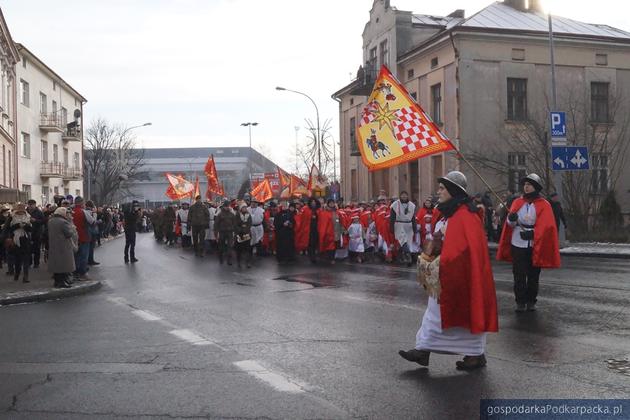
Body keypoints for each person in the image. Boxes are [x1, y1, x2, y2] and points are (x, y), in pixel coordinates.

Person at [399, 171, 498, 371]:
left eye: (443, 188)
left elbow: (464, 249)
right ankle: (422, 350)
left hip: (459, 275)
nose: (439, 191)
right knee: (433, 313)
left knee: (465, 315)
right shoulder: (448, 212)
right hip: (444, 273)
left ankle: (475, 355)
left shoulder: (466, 215)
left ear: (453, 191)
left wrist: (442, 261)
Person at [497, 174, 561, 312]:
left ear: (536, 187)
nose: (526, 187)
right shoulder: (517, 203)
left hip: (534, 244)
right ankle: (520, 301)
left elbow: (547, 226)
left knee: (533, 275)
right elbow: (510, 224)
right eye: (525, 184)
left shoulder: (544, 205)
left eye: (529, 184)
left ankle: (531, 300)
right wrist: (511, 219)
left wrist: (533, 234)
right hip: (517, 242)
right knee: (519, 274)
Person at [47, 207, 76, 288]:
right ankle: (62, 282)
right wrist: (72, 229)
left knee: (56, 265)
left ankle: (57, 282)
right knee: (64, 265)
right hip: (63, 246)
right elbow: (69, 234)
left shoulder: (51, 221)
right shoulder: (64, 222)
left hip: (54, 245)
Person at [390, 191, 417, 266]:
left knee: (408, 242)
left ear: (407, 196)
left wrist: (414, 227)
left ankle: (401, 257)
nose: (404, 197)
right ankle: (408, 255)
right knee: (402, 240)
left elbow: (413, 218)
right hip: (399, 224)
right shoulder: (395, 204)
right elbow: (392, 217)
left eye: (405, 195)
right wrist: (391, 227)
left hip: (408, 224)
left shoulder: (411, 205)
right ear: (400, 196)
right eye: (403, 195)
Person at [9, 203, 32, 283]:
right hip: (15, 240)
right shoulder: (12, 217)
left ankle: (26, 276)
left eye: (22, 211)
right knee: (18, 259)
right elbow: (9, 228)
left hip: (25, 239)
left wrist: (25, 226)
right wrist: (18, 225)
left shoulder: (28, 217)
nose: (21, 213)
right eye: (19, 211)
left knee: (26, 258)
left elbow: (30, 229)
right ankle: (17, 273)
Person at [72, 197, 93, 280]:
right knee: (84, 256)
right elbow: (92, 221)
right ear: (81, 203)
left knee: (75, 256)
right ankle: (82, 273)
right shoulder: (84, 212)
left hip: (74, 237)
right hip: (84, 236)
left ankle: (75, 273)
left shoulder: (71, 212)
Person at [318, 199, 341, 264]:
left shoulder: (336, 212)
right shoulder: (325, 212)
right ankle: (331, 258)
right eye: (330, 203)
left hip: (336, 231)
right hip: (329, 232)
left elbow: (340, 221)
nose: (332, 204)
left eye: (332, 203)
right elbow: (323, 223)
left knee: (334, 245)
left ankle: (331, 257)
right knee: (330, 246)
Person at [214, 200, 236, 265]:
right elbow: (216, 224)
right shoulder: (220, 214)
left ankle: (229, 260)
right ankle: (221, 258)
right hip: (222, 232)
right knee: (221, 246)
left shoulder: (232, 214)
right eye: (225, 206)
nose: (227, 207)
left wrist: (235, 232)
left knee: (230, 246)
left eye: (228, 206)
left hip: (230, 232)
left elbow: (235, 224)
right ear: (223, 207)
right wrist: (216, 233)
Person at [26, 199, 44, 269]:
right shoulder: (26, 212)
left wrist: (35, 220)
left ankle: (36, 263)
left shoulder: (39, 212)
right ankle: (29, 263)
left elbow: (43, 221)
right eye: (29, 204)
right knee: (28, 249)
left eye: (32, 205)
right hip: (28, 232)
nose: (30, 206)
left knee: (37, 249)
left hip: (37, 232)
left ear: (35, 205)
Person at [234, 203, 252, 268]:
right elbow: (235, 224)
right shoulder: (237, 215)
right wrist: (240, 230)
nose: (244, 209)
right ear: (241, 208)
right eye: (243, 207)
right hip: (239, 234)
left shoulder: (248, 215)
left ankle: (248, 262)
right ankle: (239, 262)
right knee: (239, 249)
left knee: (247, 249)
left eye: (245, 207)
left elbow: (249, 224)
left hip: (247, 234)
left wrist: (246, 230)